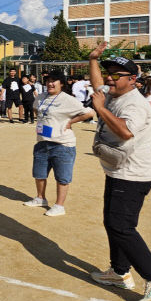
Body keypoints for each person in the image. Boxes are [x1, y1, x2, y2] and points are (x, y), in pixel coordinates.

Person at [88, 42, 151, 301]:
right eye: (109, 73)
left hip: (132, 176)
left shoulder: (135, 105)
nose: (109, 79)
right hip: (117, 171)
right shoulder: (114, 94)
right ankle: (119, 271)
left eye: (116, 75)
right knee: (111, 222)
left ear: (133, 80)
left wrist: (101, 109)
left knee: (122, 227)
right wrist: (93, 59)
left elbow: (125, 132)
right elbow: (97, 86)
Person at [24, 71, 94, 216]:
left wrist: (70, 122)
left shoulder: (68, 99)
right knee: (39, 174)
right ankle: (40, 198)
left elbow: (89, 113)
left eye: (54, 81)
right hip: (42, 142)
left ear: (61, 83)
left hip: (62, 144)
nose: (50, 83)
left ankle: (59, 205)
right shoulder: (41, 97)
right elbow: (37, 109)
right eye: (48, 80)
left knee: (62, 177)